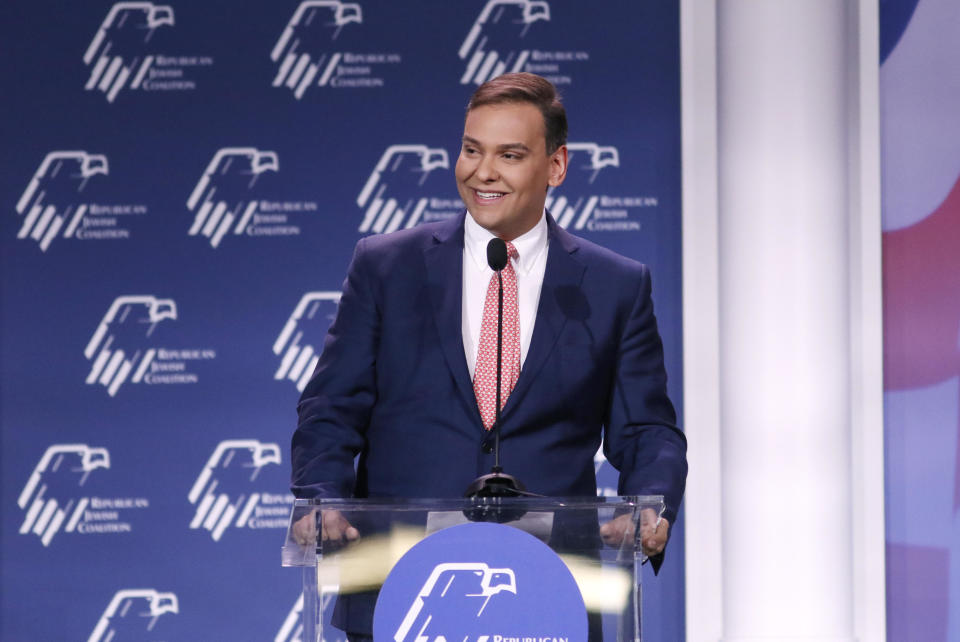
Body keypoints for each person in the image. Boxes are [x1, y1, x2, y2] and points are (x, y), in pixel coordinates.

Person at [291, 72, 687, 639]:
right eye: (471, 150)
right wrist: (321, 497)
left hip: (551, 598)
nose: (483, 172)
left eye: (510, 154)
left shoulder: (613, 286)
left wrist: (651, 503)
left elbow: (648, 429)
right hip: (401, 591)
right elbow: (330, 408)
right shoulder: (387, 267)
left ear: (556, 166)